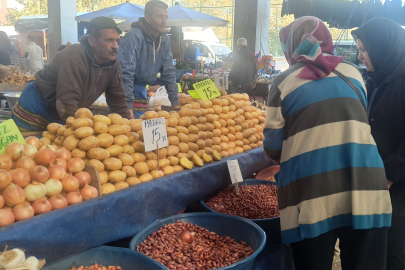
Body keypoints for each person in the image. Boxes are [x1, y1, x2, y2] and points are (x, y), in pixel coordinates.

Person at [263, 16, 392, 270]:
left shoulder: (283, 82)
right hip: (366, 186)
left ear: (291, 46)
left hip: (313, 192)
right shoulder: (354, 73)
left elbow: (273, 147)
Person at [352, 17, 405, 270]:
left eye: (364, 49)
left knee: (394, 249)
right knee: (377, 248)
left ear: (383, 45)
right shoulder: (376, 78)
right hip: (378, 179)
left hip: (398, 185)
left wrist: (390, 174)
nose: (361, 55)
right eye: (359, 49)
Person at [12, 17, 129, 131]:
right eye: (109, 40)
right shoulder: (74, 58)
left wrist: (127, 128)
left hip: (60, 112)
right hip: (36, 107)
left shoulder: (112, 63)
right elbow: (67, 102)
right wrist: (83, 132)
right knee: (27, 148)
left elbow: (117, 99)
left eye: (117, 41)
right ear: (91, 40)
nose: (115, 46)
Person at [119, 0, 179, 119]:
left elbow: (169, 73)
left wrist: (175, 103)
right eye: (159, 16)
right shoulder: (134, 36)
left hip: (142, 93)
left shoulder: (165, 40)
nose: (164, 21)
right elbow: (125, 73)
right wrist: (127, 106)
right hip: (124, 92)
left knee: (142, 132)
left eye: (166, 17)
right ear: (147, 17)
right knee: (129, 132)